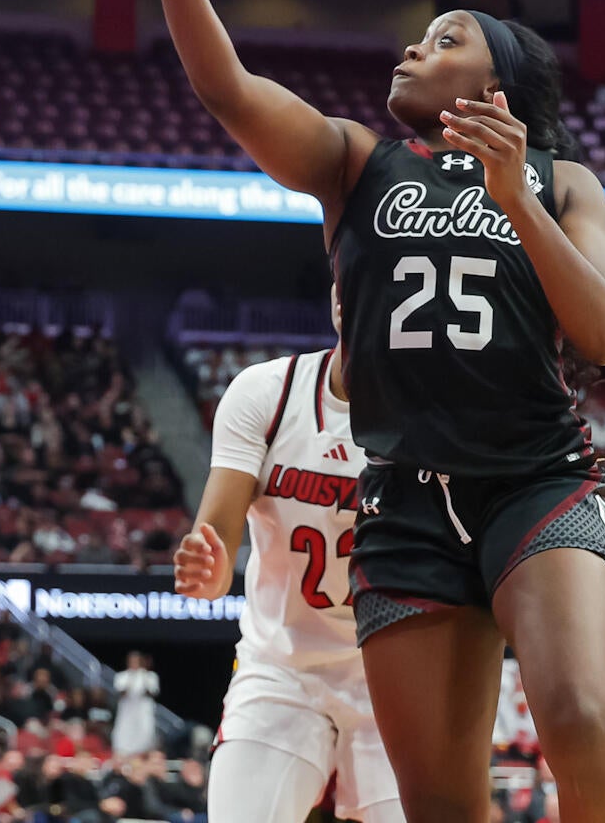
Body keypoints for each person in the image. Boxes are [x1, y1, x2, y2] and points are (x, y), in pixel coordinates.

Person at [129, 0, 605, 823]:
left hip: (532, 480)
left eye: (447, 38)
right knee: (442, 806)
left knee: (580, 717)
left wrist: (517, 202)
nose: (415, 46)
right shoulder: (357, 162)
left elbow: (603, 335)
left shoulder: (564, 182)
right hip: (400, 503)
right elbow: (224, 86)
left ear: (496, 86)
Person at [172, 293, 403, 823]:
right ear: (339, 302)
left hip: (397, 676)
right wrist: (204, 571)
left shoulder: (441, 416)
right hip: (283, 668)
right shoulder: (267, 394)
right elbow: (216, 547)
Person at [110, 653, 159, 758]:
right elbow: (121, 693)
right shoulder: (121, 676)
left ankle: (144, 755)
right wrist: (131, 678)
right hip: (127, 712)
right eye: (132, 660)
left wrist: (144, 675)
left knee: (146, 733)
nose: (134, 663)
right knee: (123, 734)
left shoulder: (150, 676)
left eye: (137, 661)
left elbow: (151, 692)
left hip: (143, 711)